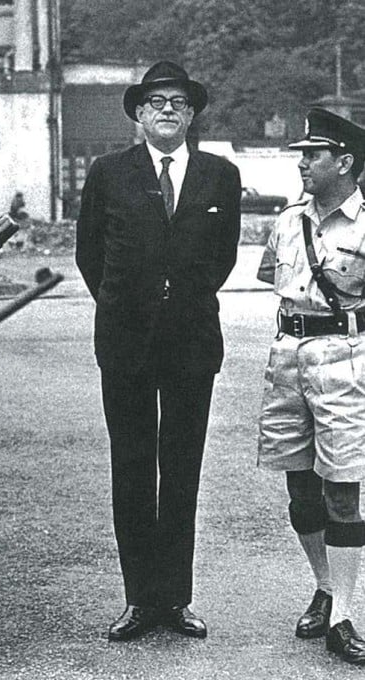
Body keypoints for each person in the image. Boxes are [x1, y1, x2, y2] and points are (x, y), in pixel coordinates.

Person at [75, 61, 241, 641]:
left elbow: (223, 257)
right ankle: (139, 600)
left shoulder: (220, 174)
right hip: (126, 344)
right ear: (140, 114)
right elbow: (90, 256)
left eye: (178, 102)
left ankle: (175, 598)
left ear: (191, 114)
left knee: (182, 469)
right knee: (132, 468)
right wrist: (129, 304)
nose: (167, 110)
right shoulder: (108, 173)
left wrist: (183, 299)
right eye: (156, 102)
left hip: (192, 343)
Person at [256, 108, 365, 665]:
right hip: (287, 358)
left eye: (313, 155)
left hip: (345, 358)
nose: (302, 164)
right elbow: (271, 275)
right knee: (300, 486)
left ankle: (344, 615)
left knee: (342, 489)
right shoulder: (287, 220)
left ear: (344, 162)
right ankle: (324, 586)